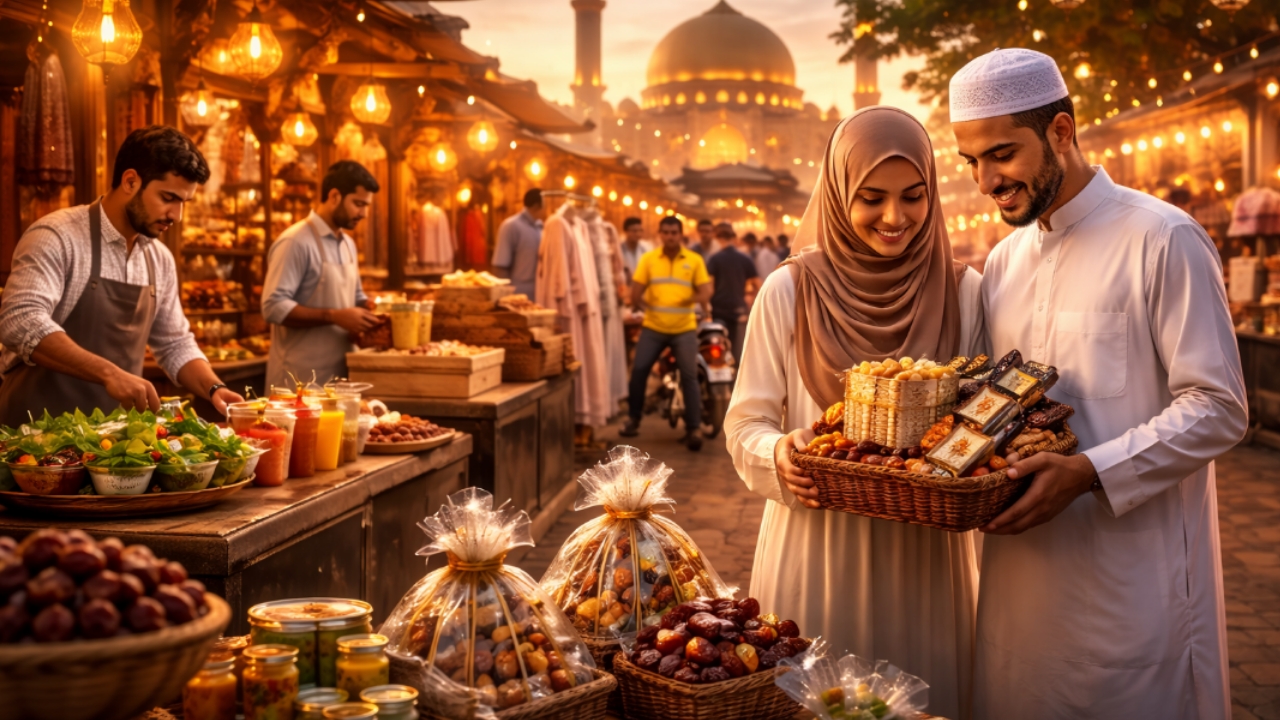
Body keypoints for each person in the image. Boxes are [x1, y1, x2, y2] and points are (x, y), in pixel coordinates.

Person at [949, 48, 1247, 719]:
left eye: (1002, 154)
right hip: (1019, 579)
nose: (985, 180)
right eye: (971, 161)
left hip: (1135, 586)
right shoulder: (1003, 263)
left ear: (1061, 131)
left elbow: (1220, 407)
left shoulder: (1162, 238)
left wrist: (1089, 471)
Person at [725, 107, 985, 720]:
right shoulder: (790, 291)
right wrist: (778, 454)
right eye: (871, 198)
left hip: (925, 554)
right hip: (816, 542)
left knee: (926, 694)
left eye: (913, 196)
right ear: (839, 194)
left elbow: (983, 423)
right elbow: (746, 423)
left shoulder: (964, 291)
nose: (895, 218)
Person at [0, 125, 245, 424]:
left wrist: (214, 387)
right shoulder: (56, 236)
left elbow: (174, 343)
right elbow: (20, 320)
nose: (176, 216)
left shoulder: (160, 259)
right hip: (34, 440)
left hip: (114, 446)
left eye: (183, 203)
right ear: (130, 181)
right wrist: (109, 374)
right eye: (168, 198)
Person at [262, 160, 380, 390]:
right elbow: (273, 307)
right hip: (297, 385)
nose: (364, 213)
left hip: (340, 382)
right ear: (334, 196)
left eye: (366, 206)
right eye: (358, 204)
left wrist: (368, 307)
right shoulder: (295, 241)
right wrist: (334, 316)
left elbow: (355, 297)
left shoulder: (348, 244)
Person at [620, 215, 712, 451]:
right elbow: (635, 293)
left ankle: (693, 428)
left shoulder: (694, 260)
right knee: (639, 370)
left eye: (674, 233)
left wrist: (690, 299)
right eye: (666, 233)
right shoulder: (648, 260)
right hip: (653, 327)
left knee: (690, 375)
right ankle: (633, 419)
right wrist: (643, 308)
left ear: (680, 235)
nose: (670, 237)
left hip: (684, 329)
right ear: (660, 234)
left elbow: (705, 291)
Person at [704, 223, 758, 356]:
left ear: (718, 238)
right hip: (739, 311)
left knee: (719, 351)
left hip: (718, 310)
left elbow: (709, 288)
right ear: (733, 237)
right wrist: (751, 302)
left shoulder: (714, 259)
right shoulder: (745, 259)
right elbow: (759, 284)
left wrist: (706, 309)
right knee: (737, 351)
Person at [492, 189, 546, 298]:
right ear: (536, 206)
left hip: (540, 293)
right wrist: (504, 296)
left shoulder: (542, 227)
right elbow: (500, 266)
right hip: (518, 292)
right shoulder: (511, 226)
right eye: (546, 205)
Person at [618, 216, 653, 286]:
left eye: (640, 230)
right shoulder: (619, 250)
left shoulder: (647, 248)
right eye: (634, 231)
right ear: (626, 231)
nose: (638, 234)